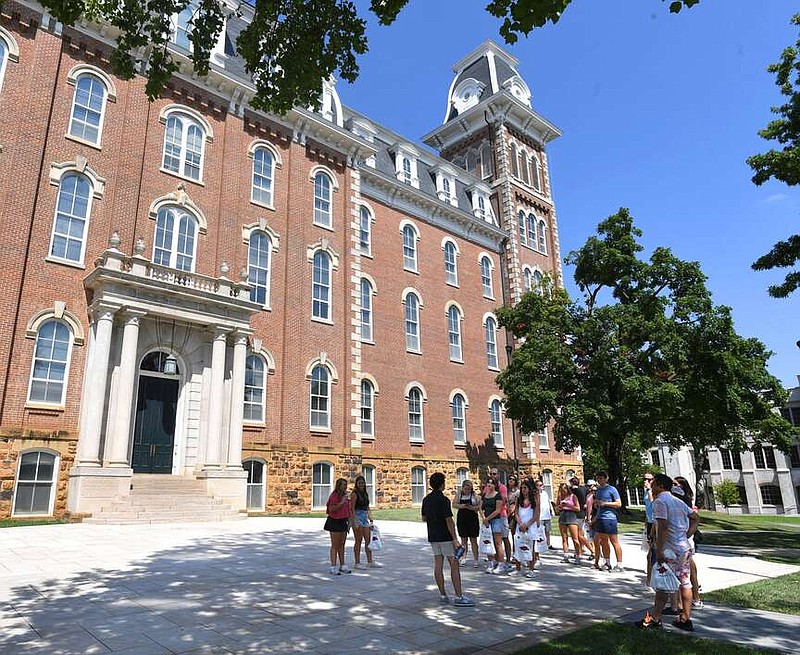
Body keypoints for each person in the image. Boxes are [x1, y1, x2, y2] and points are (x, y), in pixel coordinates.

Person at [637, 473, 698, 631]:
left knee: (663, 584)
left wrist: (660, 548)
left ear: (660, 485)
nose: (652, 486)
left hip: (669, 549)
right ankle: (685, 618)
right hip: (683, 548)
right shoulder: (677, 501)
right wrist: (689, 533)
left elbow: (662, 526)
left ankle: (655, 619)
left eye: (654, 483)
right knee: (685, 582)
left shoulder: (660, 501)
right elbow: (695, 517)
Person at [421, 472, 475, 606]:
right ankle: (459, 596)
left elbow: (424, 518)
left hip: (433, 536)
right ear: (441, 484)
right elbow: (449, 521)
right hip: (445, 537)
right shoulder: (444, 500)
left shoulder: (426, 500)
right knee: (454, 565)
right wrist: (455, 539)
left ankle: (443, 594)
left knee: (438, 565)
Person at [674, 476, 703, 610]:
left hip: (683, 541)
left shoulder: (683, 502)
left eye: (676, 484)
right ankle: (688, 601)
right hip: (682, 540)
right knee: (685, 572)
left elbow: (694, 519)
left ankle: (685, 604)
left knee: (685, 573)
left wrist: (687, 535)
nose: (673, 486)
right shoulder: (677, 501)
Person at [593, 471, 624, 572]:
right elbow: (598, 505)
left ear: (606, 479)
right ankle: (607, 562)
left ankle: (619, 564)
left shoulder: (612, 489)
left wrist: (605, 503)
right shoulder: (598, 490)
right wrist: (597, 506)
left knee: (614, 541)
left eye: (601, 478)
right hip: (601, 518)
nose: (599, 480)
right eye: (598, 478)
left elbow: (619, 503)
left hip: (610, 518)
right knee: (603, 541)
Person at [350, 475, 381, 569]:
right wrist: (354, 520)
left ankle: (370, 561)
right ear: (356, 484)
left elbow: (367, 507)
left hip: (364, 517)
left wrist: (370, 516)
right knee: (358, 540)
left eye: (362, 483)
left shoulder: (365, 493)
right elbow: (351, 508)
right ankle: (357, 563)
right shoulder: (354, 494)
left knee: (368, 541)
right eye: (359, 483)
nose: (361, 485)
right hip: (357, 516)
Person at [484, 468, 512, 570]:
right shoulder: (486, 488)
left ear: (498, 475)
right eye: (490, 474)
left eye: (494, 474)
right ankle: (495, 560)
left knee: (503, 539)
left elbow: (503, 502)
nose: (492, 475)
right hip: (489, 519)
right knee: (490, 540)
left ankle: (507, 560)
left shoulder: (502, 488)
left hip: (501, 516)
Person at [515, 479, 542, 577]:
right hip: (520, 525)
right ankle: (517, 569)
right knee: (517, 546)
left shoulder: (534, 500)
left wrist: (527, 525)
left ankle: (531, 570)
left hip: (530, 526)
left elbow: (536, 514)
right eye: (522, 488)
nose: (523, 490)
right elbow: (516, 513)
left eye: (525, 488)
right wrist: (520, 523)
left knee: (531, 548)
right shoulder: (519, 499)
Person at [324, 478, 351, 574]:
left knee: (342, 544)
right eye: (343, 485)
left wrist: (349, 522)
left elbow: (348, 509)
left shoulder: (345, 496)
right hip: (334, 521)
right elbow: (331, 508)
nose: (345, 487)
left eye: (346, 485)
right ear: (339, 485)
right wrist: (341, 502)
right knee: (335, 545)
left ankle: (342, 565)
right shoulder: (334, 495)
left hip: (343, 521)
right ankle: (333, 566)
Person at [452, 479, 481, 567]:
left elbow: (478, 507)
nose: (467, 491)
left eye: (469, 489)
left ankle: (476, 559)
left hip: (472, 519)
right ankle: (463, 558)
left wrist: (470, 507)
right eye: (465, 489)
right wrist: (463, 506)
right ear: (463, 488)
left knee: (473, 540)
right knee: (463, 540)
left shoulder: (474, 495)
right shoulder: (459, 495)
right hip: (462, 519)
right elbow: (454, 504)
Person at [481, 478, 506, 573]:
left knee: (497, 543)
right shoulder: (485, 495)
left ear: (495, 485)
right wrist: (484, 518)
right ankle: (491, 562)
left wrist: (488, 518)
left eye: (492, 483)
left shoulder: (498, 496)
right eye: (488, 483)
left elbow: (498, 510)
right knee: (488, 542)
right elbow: (481, 507)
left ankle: (501, 563)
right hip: (487, 521)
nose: (489, 485)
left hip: (496, 521)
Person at [556, 482, 581, 563]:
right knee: (564, 538)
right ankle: (566, 555)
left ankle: (577, 556)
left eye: (564, 489)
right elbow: (557, 509)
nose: (563, 491)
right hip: (563, 516)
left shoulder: (573, 496)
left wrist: (568, 505)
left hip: (571, 516)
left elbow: (578, 508)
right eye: (561, 490)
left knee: (575, 538)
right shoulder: (560, 497)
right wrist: (559, 507)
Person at [570, 476, 594, 559]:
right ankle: (581, 550)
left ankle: (592, 551)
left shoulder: (574, 490)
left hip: (576, 514)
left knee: (578, 535)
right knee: (581, 534)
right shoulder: (584, 489)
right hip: (582, 513)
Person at [643, 473, 655, 589]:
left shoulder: (654, 491)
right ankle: (649, 579)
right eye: (645, 479)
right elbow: (647, 508)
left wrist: (649, 489)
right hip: (650, 522)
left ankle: (650, 581)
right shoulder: (646, 491)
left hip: (656, 523)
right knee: (650, 553)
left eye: (649, 479)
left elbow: (653, 503)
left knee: (652, 553)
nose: (646, 481)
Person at [535, 479, 555, 549]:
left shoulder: (545, 493)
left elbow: (548, 502)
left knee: (547, 531)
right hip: (540, 516)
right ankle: (540, 544)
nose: (540, 487)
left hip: (547, 515)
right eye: (538, 485)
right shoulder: (535, 494)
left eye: (541, 485)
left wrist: (552, 510)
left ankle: (548, 544)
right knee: (540, 531)